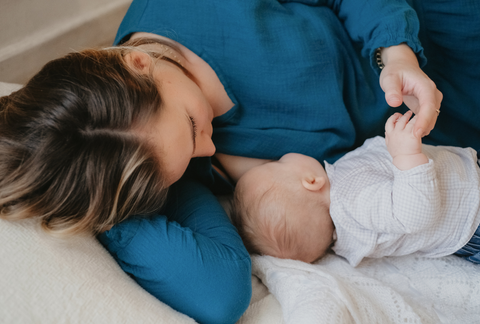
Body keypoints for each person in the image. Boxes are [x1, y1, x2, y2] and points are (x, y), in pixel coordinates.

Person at [1, 0, 479, 322]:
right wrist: (102, 205)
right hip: (445, 161)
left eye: (191, 126)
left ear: (138, 63)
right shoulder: (151, 169)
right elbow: (219, 292)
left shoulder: (188, 9)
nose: (207, 151)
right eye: (187, 156)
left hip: (438, 39)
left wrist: (394, 53)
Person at [231, 111, 480, 266]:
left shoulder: (347, 217)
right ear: (310, 181)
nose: (278, 157)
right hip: (473, 208)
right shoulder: (351, 198)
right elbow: (414, 214)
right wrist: (406, 155)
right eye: (277, 163)